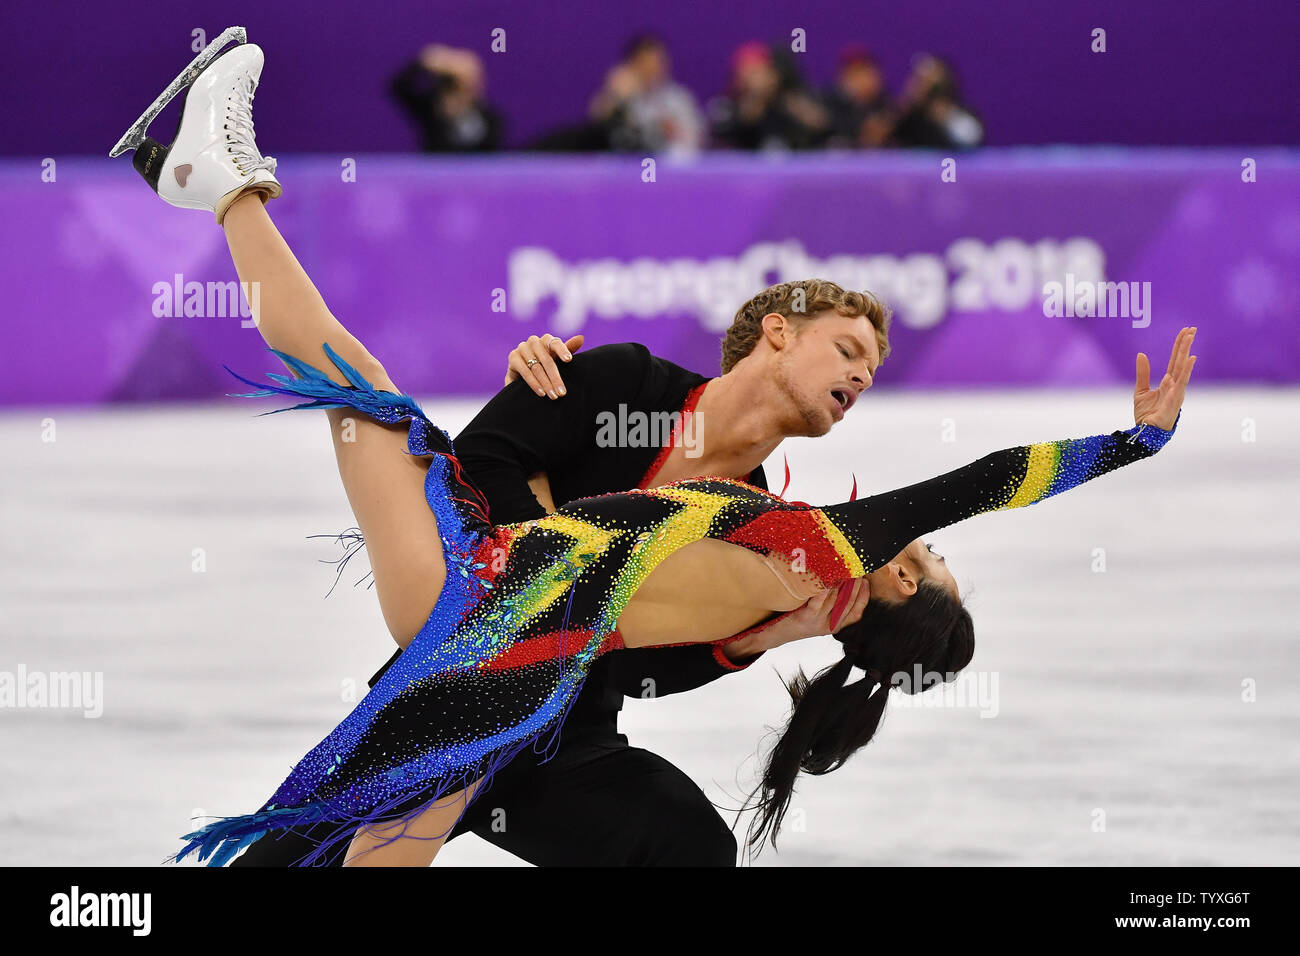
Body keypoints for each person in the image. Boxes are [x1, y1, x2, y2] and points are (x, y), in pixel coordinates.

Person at [113, 33, 1197, 869]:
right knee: (368, 827)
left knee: (354, 384)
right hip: (489, 617)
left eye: (933, 557)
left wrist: (1132, 441)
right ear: (778, 330)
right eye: (850, 349)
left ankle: (223, 182)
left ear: (906, 567)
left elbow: (984, 482)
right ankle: (210, 178)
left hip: (492, 628)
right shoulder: (776, 586)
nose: (923, 541)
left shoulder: (821, 549)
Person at [390, 44, 503, 153]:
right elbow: (399, 87)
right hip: (436, 171)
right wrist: (423, 62)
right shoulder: (430, 108)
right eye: (456, 83)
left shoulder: (489, 117)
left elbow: (492, 153)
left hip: (476, 172)